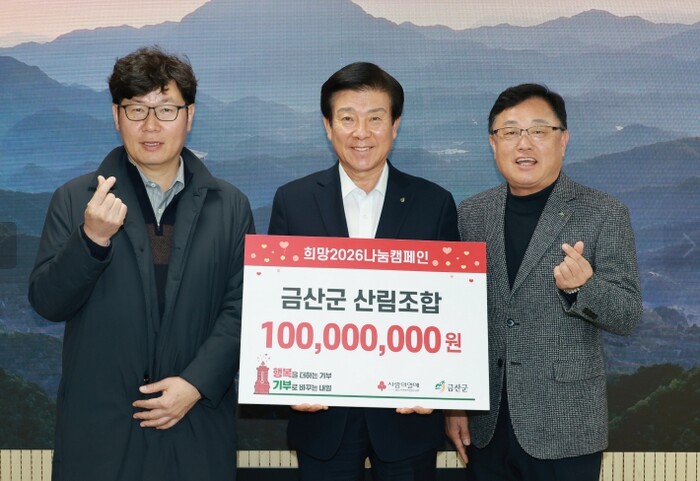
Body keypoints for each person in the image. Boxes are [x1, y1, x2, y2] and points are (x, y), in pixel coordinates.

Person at [28, 46, 254, 481]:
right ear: (116, 116)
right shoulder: (75, 200)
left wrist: (196, 383)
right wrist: (91, 239)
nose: (151, 125)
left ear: (189, 116)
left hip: (195, 426)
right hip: (101, 433)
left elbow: (241, 309)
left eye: (166, 109)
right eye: (136, 109)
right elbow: (48, 302)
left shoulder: (229, 206)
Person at [268, 62, 459, 481]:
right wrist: (287, 381)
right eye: (347, 119)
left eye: (375, 119)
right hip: (323, 416)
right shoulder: (293, 201)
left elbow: (451, 309)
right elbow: (277, 302)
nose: (361, 133)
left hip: (408, 416)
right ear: (328, 126)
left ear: (395, 126)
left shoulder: (434, 203)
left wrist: (440, 384)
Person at [445, 84, 642, 480]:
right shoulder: (471, 214)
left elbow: (627, 314)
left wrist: (584, 287)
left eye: (538, 130)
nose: (524, 143)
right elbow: (456, 317)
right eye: (510, 131)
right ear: (493, 143)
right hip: (487, 424)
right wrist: (456, 404)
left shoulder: (604, 213)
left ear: (563, 140)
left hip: (565, 425)